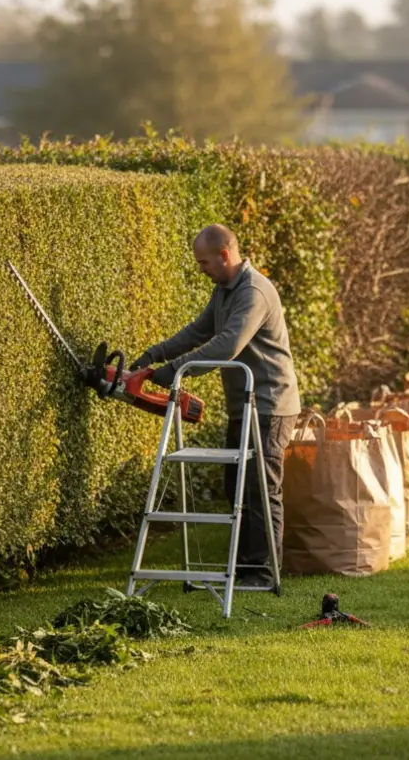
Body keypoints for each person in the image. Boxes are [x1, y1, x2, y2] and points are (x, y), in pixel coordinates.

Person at [131, 224, 301, 587]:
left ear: (224, 255)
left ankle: (263, 573)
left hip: (270, 405)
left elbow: (227, 345)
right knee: (235, 486)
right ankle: (242, 568)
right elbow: (197, 332)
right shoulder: (224, 291)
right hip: (245, 407)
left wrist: (174, 371)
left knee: (260, 489)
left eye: (204, 262)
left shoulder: (254, 291)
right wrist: (154, 355)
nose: (201, 269)